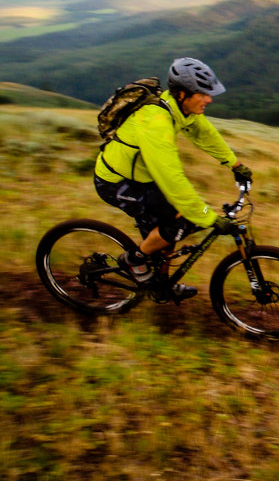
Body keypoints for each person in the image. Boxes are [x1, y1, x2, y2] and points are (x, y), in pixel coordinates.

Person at [93, 57, 252, 302]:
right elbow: (171, 177)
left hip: (142, 178)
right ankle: (134, 262)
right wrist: (208, 217)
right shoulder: (156, 121)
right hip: (115, 181)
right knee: (179, 221)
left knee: (174, 224)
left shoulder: (179, 108)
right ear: (181, 94)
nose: (209, 99)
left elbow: (204, 133)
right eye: (202, 94)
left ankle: (161, 285)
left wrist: (235, 164)